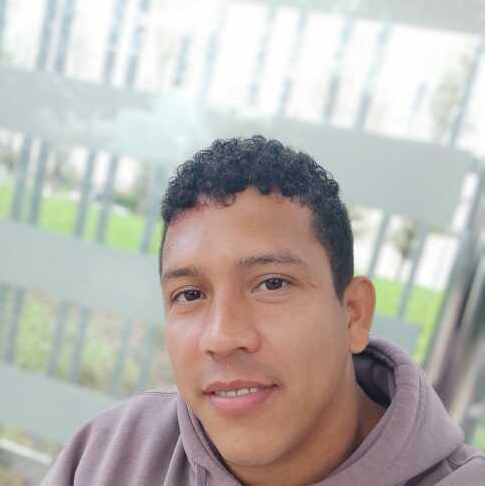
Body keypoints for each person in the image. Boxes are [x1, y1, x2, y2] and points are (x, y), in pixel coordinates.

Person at [42, 136, 485, 485]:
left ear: (353, 314)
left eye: (272, 284)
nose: (221, 336)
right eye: (190, 294)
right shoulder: (110, 457)